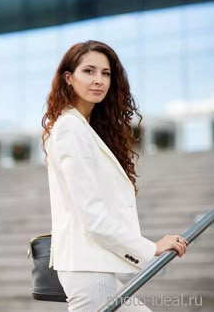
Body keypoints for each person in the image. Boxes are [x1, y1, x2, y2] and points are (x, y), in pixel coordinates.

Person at [41, 40, 188, 311]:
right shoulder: (70, 129)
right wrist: (151, 248)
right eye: (89, 71)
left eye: (105, 73)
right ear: (69, 78)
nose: (99, 80)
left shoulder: (83, 128)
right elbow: (92, 217)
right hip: (89, 272)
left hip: (96, 268)